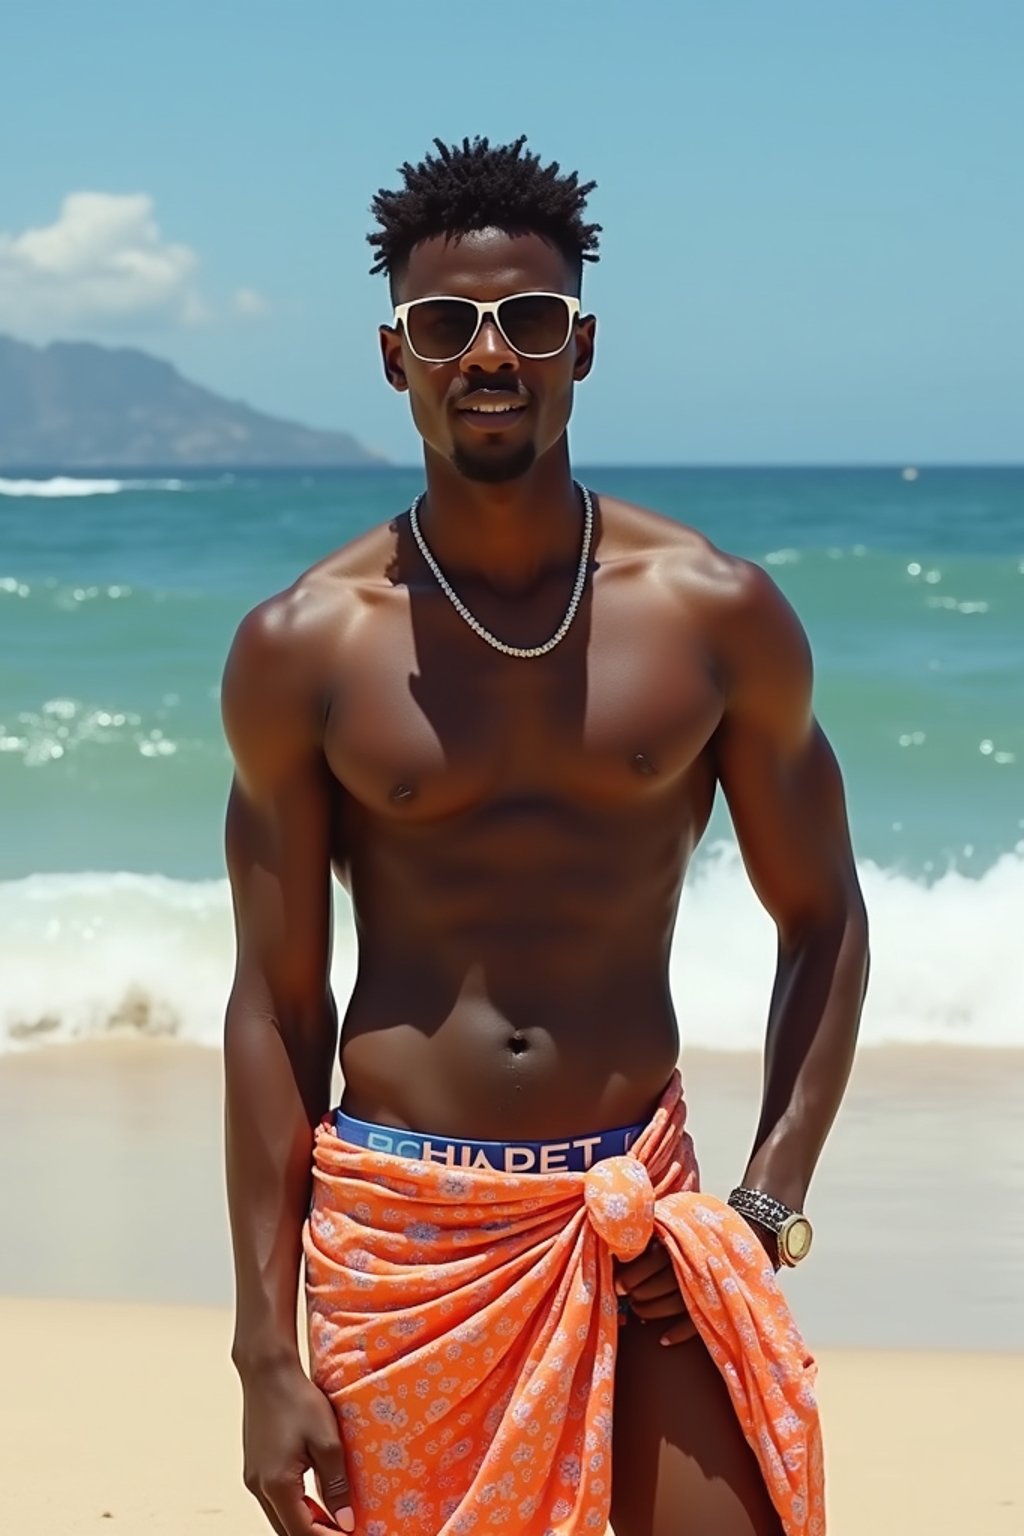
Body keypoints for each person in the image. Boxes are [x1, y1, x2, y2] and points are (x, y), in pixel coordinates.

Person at [222, 136, 869, 1536]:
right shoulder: (304, 646)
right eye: (447, 325)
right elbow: (277, 1002)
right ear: (398, 360)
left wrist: (767, 1205)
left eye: (527, 320)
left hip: (639, 1216)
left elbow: (823, 914)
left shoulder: (713, 614)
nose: (489, 353)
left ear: (582, 345)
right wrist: (264, 1346)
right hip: (406, 1243)